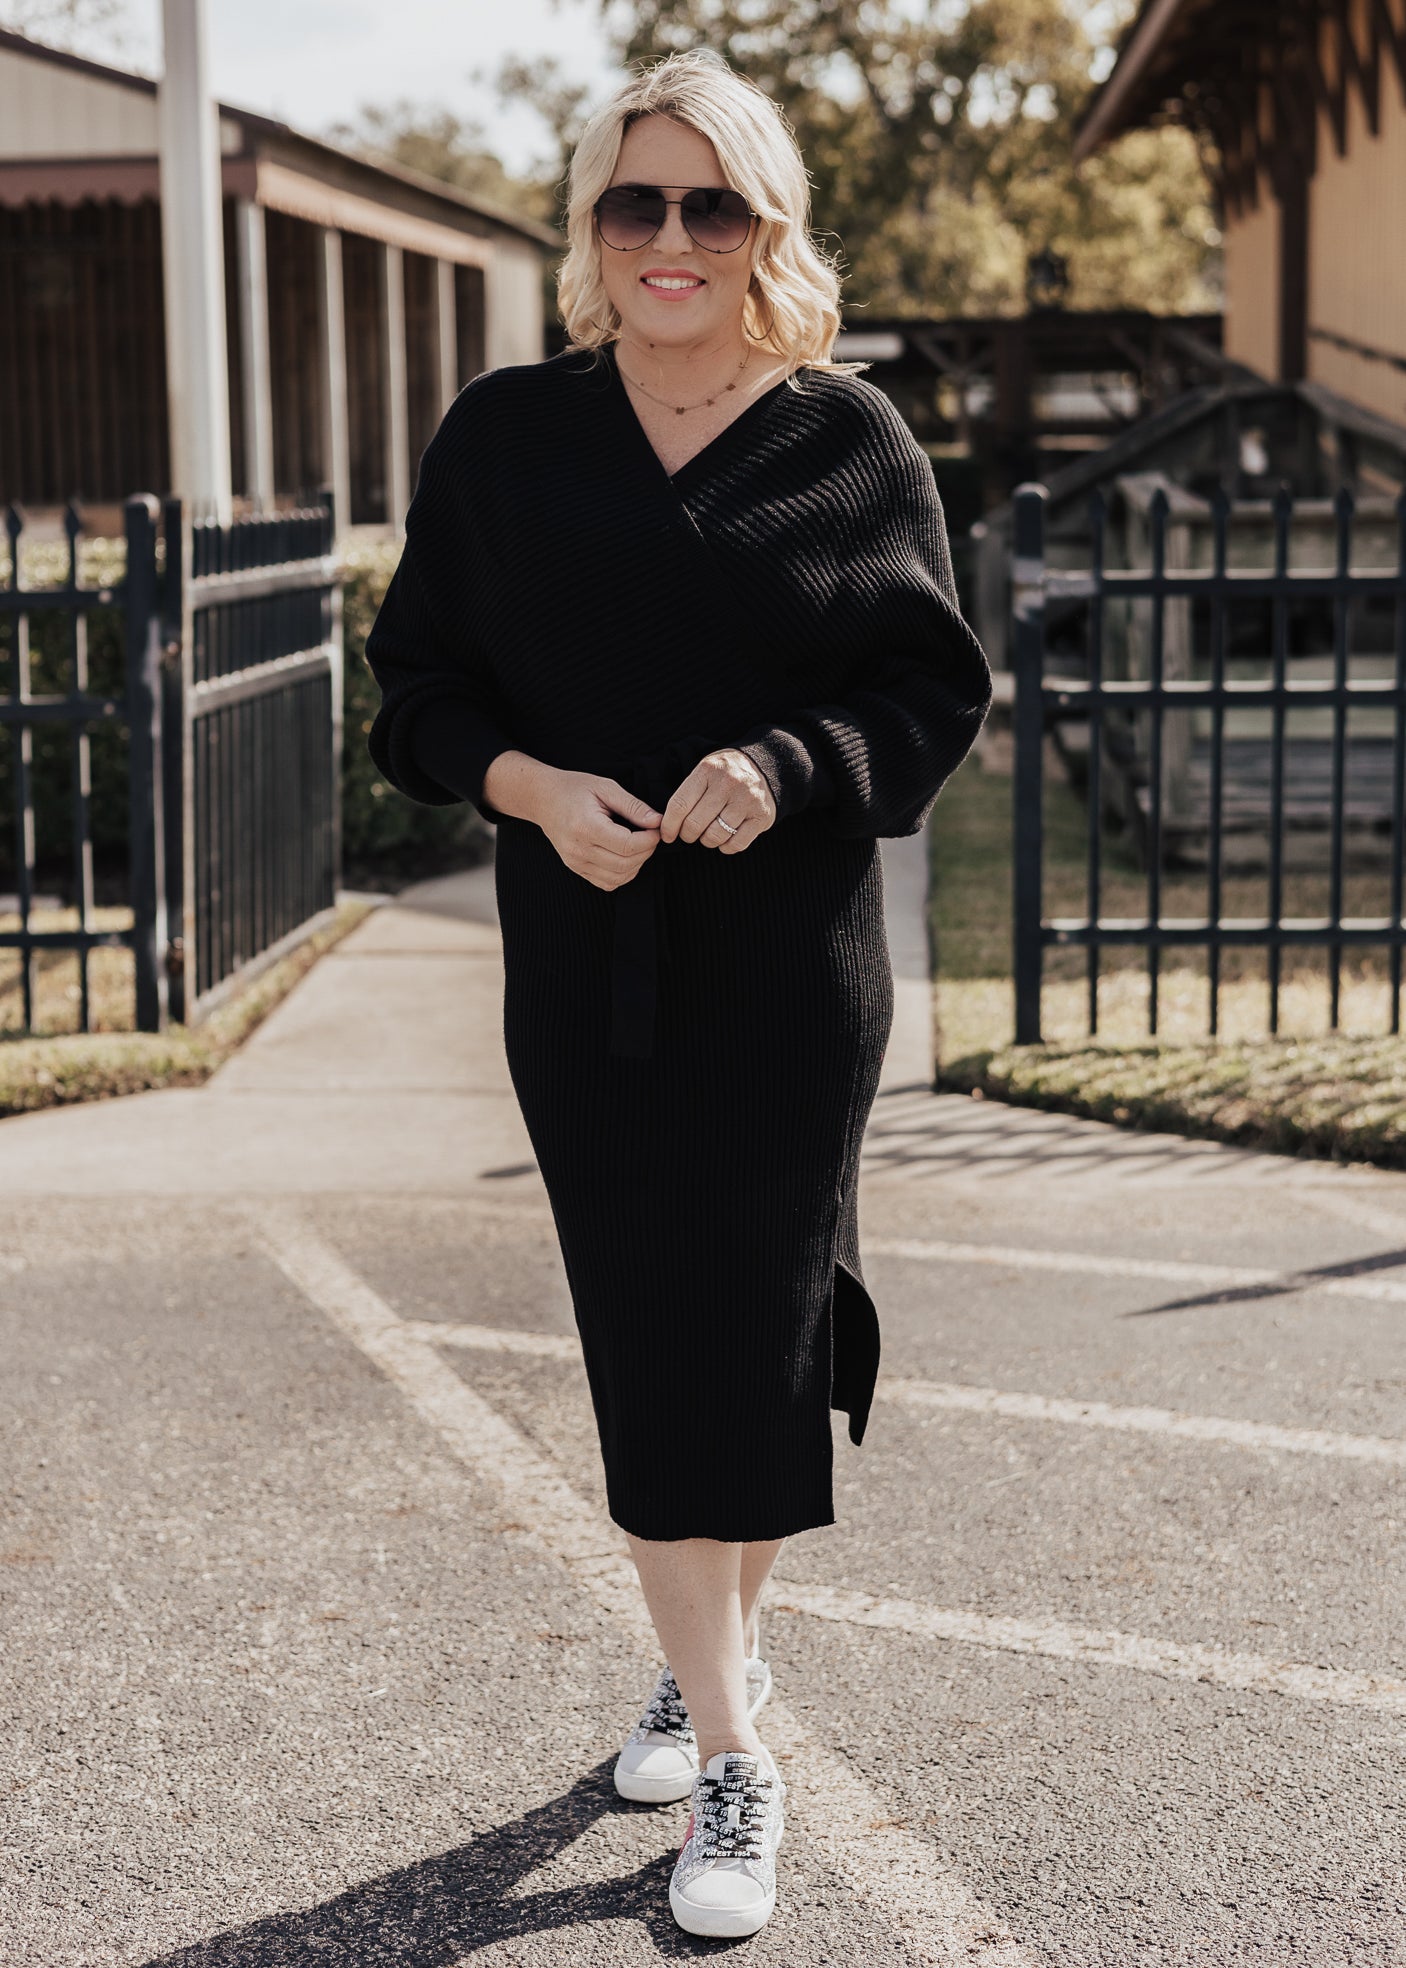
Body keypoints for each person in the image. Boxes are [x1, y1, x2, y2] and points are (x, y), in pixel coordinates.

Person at [363, 48, 991, 1940]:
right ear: (588, 226)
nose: (670, 237)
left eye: (710, 203)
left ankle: (699, 1669)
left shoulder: (846, 443)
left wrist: (787, 767)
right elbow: (418, 693)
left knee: (764, 1342)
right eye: (633, 200)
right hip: (590, 979)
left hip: (793, 982)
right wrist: (533, 791)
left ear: (764, 227)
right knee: (655, 1344)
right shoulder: (506, 438)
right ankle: (733, 1749)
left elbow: (927, 693)